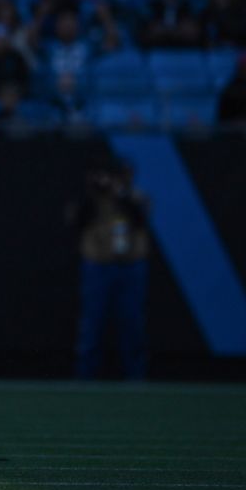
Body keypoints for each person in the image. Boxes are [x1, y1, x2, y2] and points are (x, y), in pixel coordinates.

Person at [69, 160, 150, 380]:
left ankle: (136, 378)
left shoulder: (136, 197)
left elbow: (141, 217)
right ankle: (85, 377)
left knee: (131, 325)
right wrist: (94, 191)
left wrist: (121, 192)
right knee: (91, 326)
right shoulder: (93, 201)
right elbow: (75, 220)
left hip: (130, 267)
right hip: (98, 267)